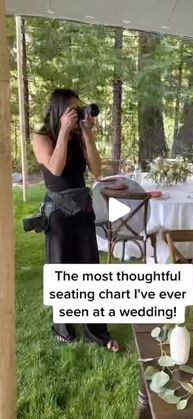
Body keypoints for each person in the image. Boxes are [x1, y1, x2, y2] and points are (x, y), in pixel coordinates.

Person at [32, 88, 119, 352]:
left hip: (82, 210)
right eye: (73, 109)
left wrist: (86, 134)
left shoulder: (79, 135)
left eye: (79, 108)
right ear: (60, 110)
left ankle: (97, 333)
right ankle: (64, 328)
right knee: (62, 270)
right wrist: (62, 132)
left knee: (89, 269)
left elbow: (96, 170)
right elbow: (55, 167)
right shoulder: (42, 137)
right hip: (58, 213)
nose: (78, 113)